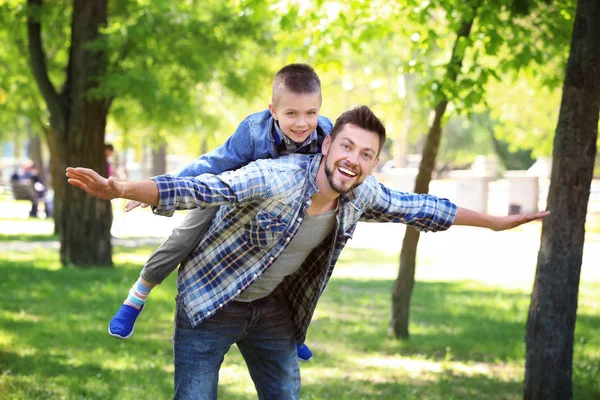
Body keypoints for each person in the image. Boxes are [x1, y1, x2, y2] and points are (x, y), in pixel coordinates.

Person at [66, 106, 549, 399]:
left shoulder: (362, 193)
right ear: (325, 146)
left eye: (366, 154)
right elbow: (204, 186)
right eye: (347, 147)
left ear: (373, 162)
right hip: (209, 302)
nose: (353, 160)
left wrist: (496, 222)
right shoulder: (275, 177)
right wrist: (121, 189)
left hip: (273, 312)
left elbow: (422, 207)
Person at [108, 63, 332, 362]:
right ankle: (137, 297)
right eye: (291, 113)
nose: (302, 123)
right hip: (228, 193)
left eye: (310, 113)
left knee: (300, 251)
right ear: (274, 111)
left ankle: (290, 332)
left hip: (279, 209)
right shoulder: (253, 131)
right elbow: (213, 163)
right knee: (185, 237)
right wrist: (158, 188)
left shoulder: (326, 134)